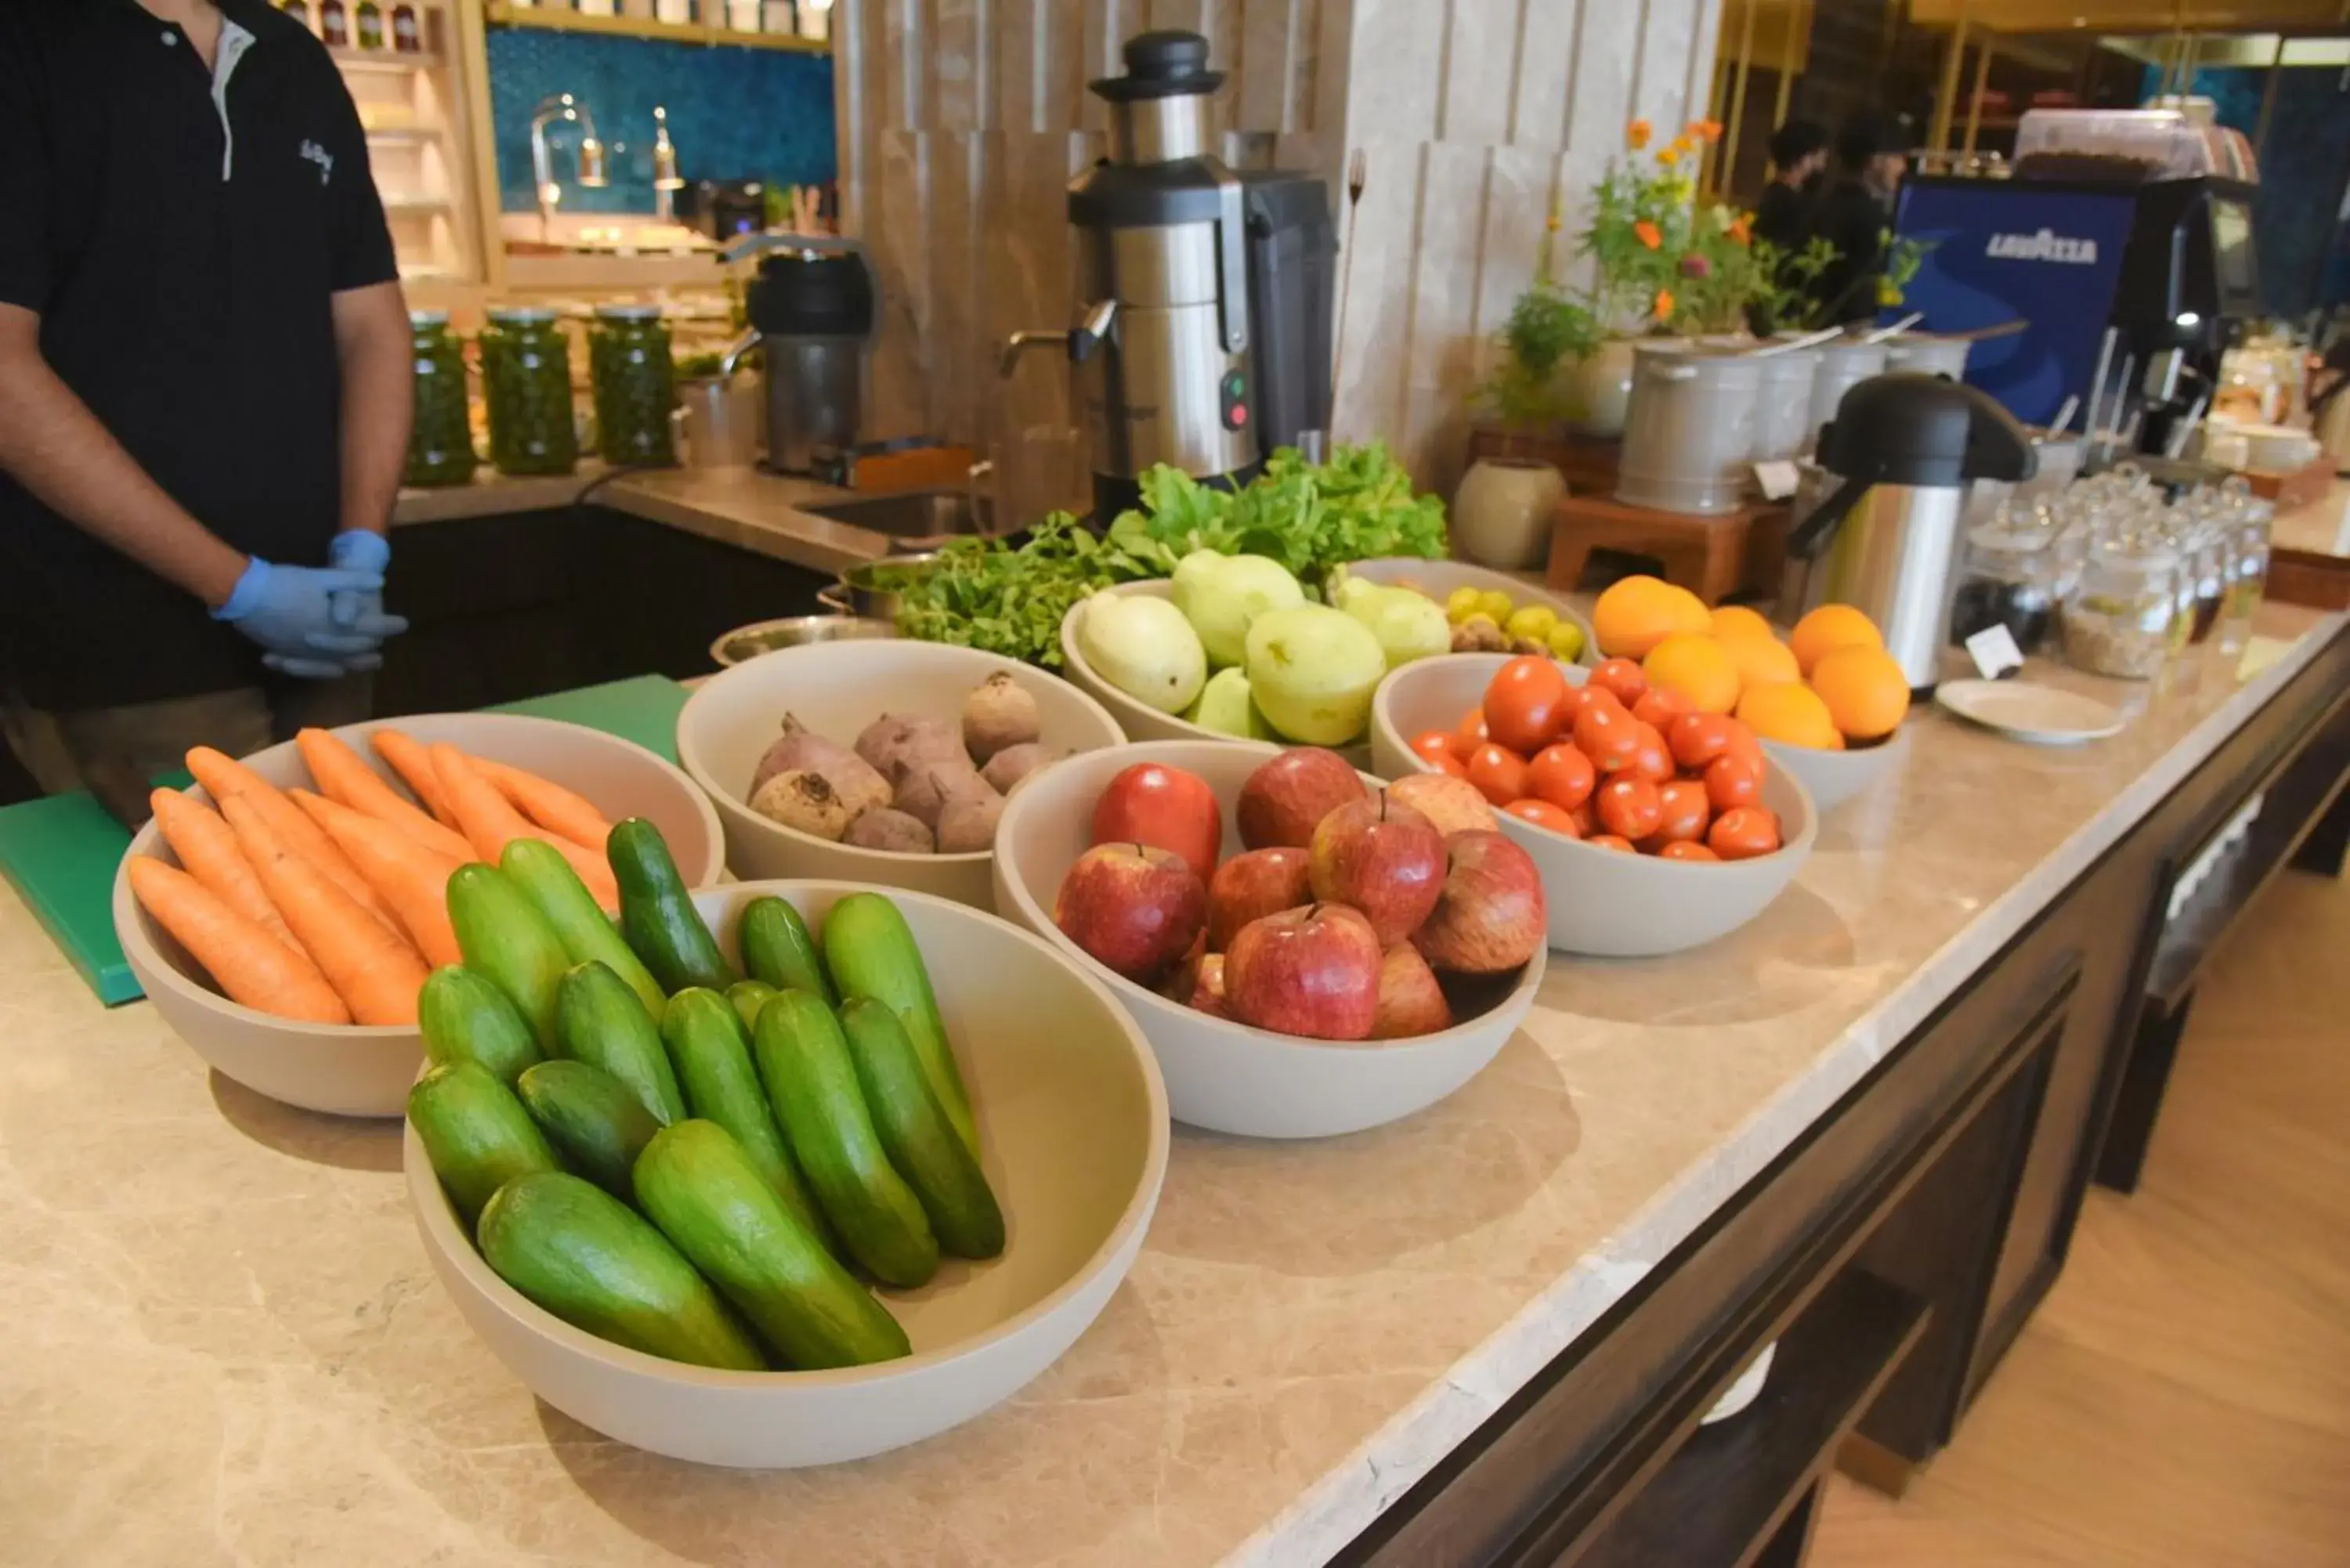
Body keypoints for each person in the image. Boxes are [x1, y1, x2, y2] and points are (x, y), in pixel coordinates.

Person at [0, 0, 414, 826]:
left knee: (360, 900)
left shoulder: (291, 57)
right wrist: (241, 587)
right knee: (189, 926)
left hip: (328, 630)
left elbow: (371, 323)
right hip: (126, 656)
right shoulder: (25, 44)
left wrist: (361, 547)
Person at [1809, 114, 1911, 327]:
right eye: (1898, 158)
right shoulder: (1871, 217)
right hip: (1851, 335)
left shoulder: (1823, 203)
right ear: (1876, 161)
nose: (1903, 168)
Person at [1753, 118, 1831, 253]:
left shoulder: (1774, 197)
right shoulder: (1788, 205)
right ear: (1803, 158)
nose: (1823, 165)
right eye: (1819, 157)